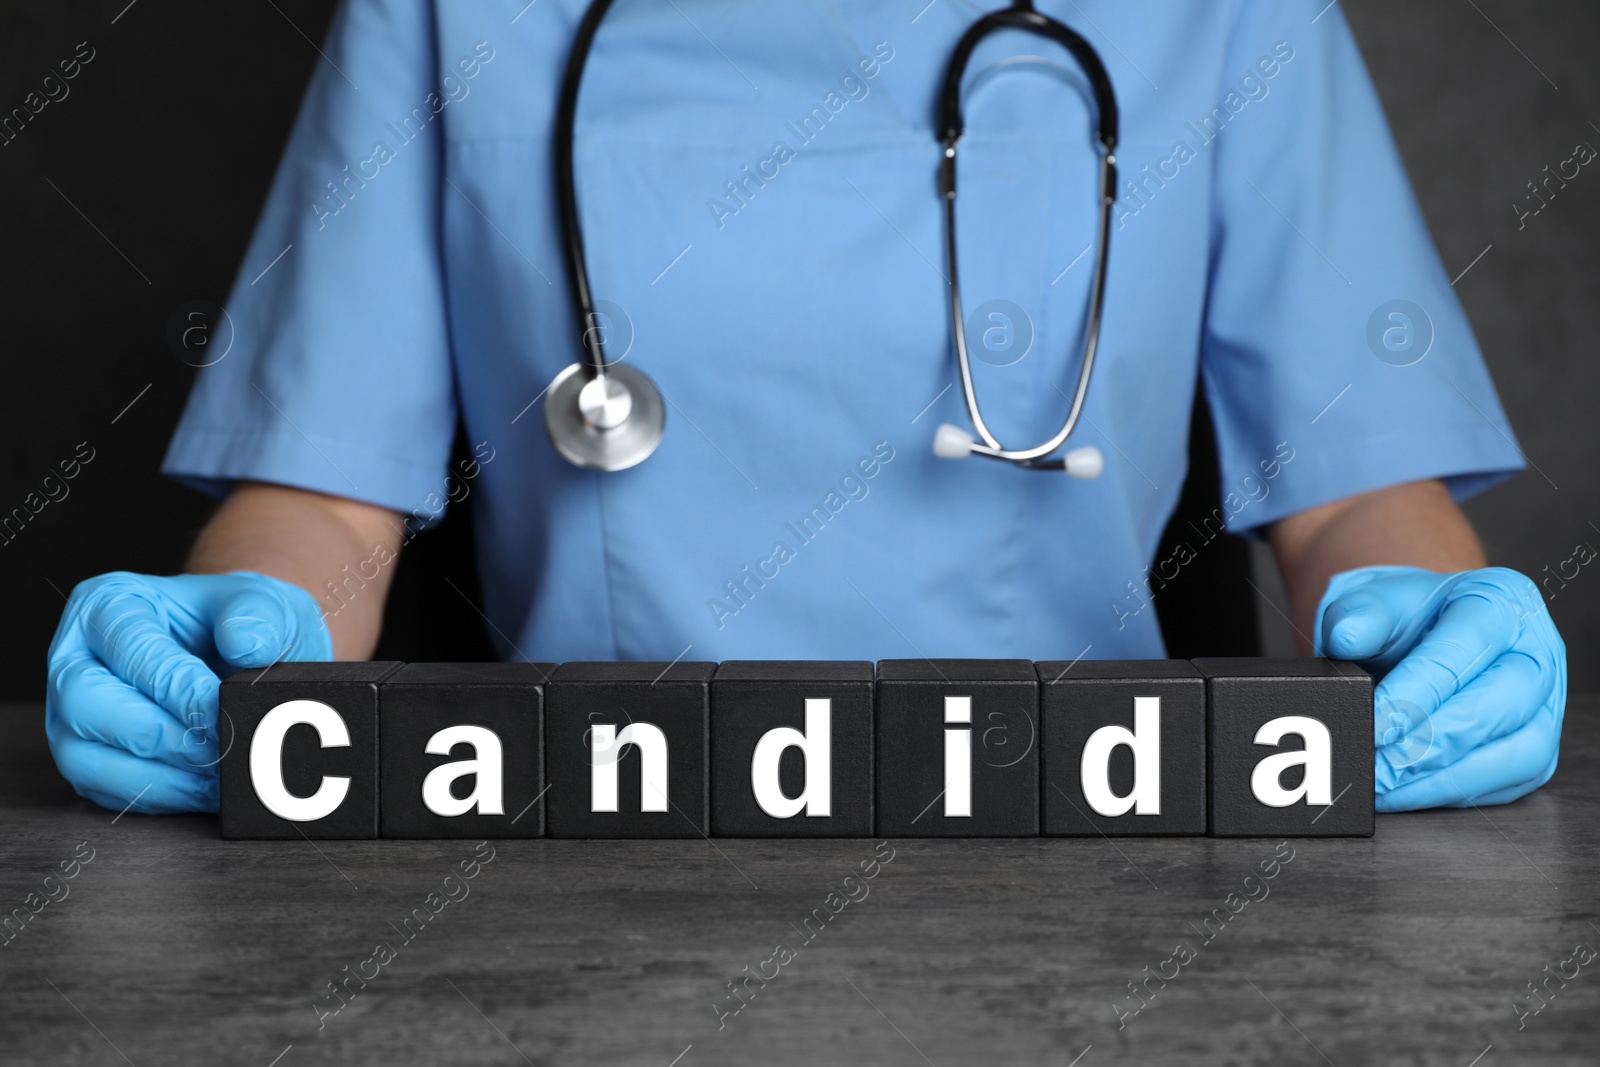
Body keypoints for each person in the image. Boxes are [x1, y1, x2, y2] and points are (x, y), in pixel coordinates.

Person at [46, 0, 1563, 816]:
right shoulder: (450, 9)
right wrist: (238, 653)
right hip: (574, 846)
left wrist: (1430, 633)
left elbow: (1354, 489)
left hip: (1101, 831)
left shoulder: (1219, 12)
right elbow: (323, 492)